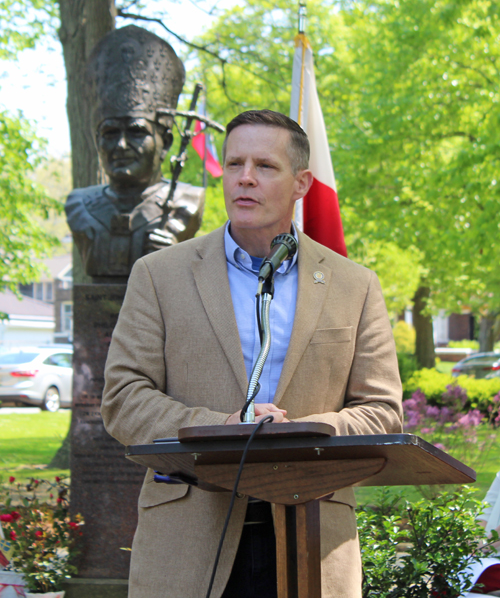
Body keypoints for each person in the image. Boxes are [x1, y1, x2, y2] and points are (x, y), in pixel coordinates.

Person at [101, 109, 403, 598]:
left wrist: (304, 434)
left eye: (264, 166)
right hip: (190, 534)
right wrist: (223, 426)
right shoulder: (159, 275)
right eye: (234, 163)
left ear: (302, 182)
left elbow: (382, 410)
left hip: (312, 535)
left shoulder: (355, 286)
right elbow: (124, 398)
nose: (244, 178)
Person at [65, 25, 204, 283]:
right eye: (109, 133)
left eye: (136, 132)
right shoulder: (78, 206)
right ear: (97, 142)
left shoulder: (187, 203)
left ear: (166, 142)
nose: (120, 145)